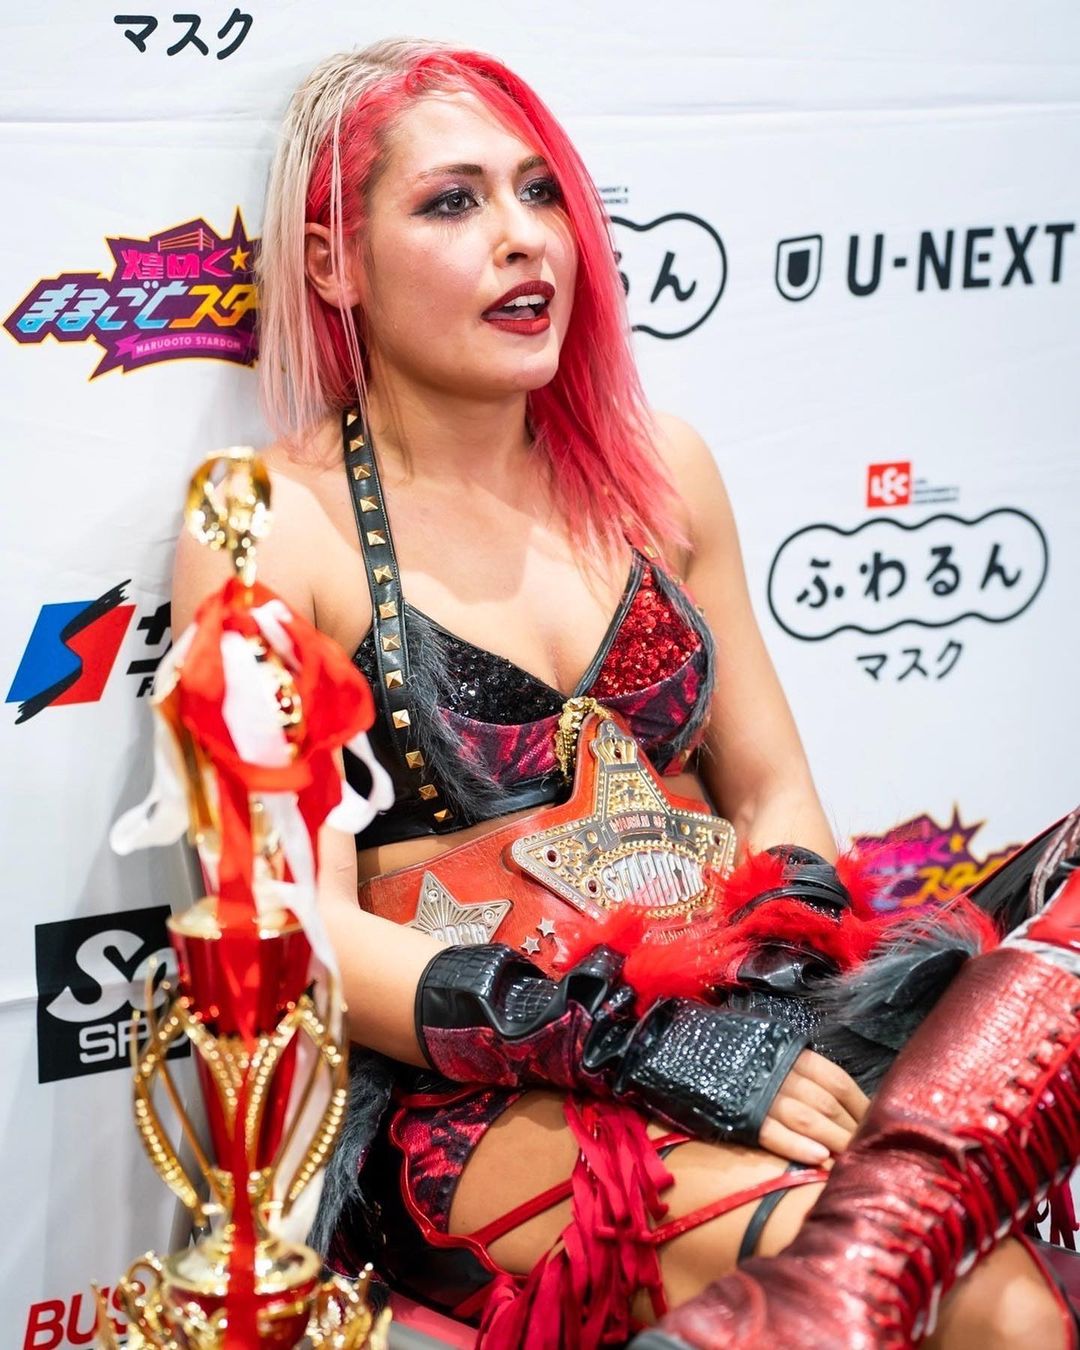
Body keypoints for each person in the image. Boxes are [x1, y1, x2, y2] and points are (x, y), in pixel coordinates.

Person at [171, 38, 1080, 1348]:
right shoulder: (270, 522)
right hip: (480, 1104)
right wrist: (632, 1044)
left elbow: (772, 789)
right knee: (979, 1295)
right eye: (453, 201)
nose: (524, 238)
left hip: (748, 1024)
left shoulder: (663, 469)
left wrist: (772, 998)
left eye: (541, 191)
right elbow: (296, 928)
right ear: (334, 264)